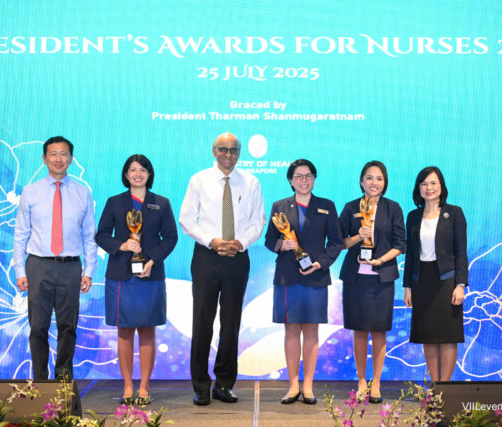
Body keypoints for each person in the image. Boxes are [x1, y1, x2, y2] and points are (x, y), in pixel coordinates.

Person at [179, 132, 265, 406]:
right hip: (207, 256)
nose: (228, 155)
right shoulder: (199, 180)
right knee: (202, 321)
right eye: (223, 149)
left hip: (237, 258)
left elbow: (258, 221)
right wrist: (212, 241)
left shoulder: (251, 182)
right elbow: (186, 219)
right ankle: (201, 385)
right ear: (214, 151)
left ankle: (224, 384)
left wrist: (240, 243)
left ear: (239, 153)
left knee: (231, 323)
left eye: (233, 150)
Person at [95, 154, 178, 405]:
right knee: (124, 331)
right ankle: (128, 386)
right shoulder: (114, 202)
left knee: (147, 330)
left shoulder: (161, 203)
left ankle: (144, 387)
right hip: (121, 275)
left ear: (149, 174)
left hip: (150, 275)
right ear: (126, 174)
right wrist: (121, 245)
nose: (138, 174)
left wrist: (152, 261)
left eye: (142, 169)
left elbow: (171, 237)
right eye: (133, 170)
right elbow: (101, 235)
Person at [13, 136, 98, 380]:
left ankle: (63, 382)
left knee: (68, 327)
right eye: (53, 154)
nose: (58, 159)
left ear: (71, 159)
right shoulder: (31, 191)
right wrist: (20, 270)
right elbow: (21, 233)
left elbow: (89, 234)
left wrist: (89, 270)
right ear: (44, 159)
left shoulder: (82, 192)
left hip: (71, 267)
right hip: (38, 265)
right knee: (38, 327)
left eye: (63, 154)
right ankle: (40, 381)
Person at [264, 159, 343, 405]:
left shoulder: (327, 206)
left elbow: (337, 242)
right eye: (298, 176)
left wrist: (321, 263)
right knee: (291, 331)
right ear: (291, 180)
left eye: (308, 175)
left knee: (311, 331)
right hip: (288, 277)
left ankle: (308, 386)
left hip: (316, 276)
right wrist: (282, 244)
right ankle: (293, 385)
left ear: (314, 179)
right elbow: (269, 240)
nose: (304, 180)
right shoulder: (279, 206)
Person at [338, 160, 405, 403]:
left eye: (378, 178)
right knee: (359, 331)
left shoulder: (393, 208)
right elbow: (338, 242)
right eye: (369, 177)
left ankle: (376, 382)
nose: (373, 182)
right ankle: (361, 381)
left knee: (379, 332)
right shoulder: (350, 207)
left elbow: (400, 244)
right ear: (361, 181)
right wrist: (358, 236)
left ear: (384, 183)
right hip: (355, 279)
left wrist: (380, 261)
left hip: (382, 279)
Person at [403, 166, 467, 382]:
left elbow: (461, 251)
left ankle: (445, 387)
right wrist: (407, 287)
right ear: (418, 188)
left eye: (433, 183)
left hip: (447, 279)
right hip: (421, 279)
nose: (428, 188)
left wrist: (460, 284)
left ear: (441, 186)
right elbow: (410, 254)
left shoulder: (454, 213)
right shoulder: (413, 216)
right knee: (428, 335)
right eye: (424, 183)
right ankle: (435, 385)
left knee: (448, 335)